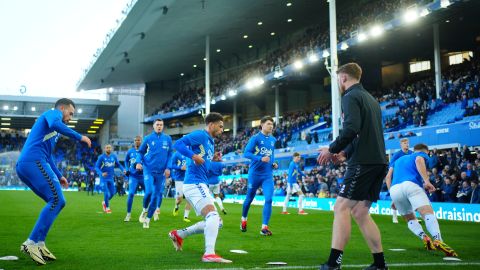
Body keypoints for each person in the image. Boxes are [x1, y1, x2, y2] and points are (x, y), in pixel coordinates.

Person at [317, 63, 388, 270]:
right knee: (360, 212)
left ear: (344, 78)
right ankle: (380, 264)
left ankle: (333, 263)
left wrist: (332, 149)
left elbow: (351, 128)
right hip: (378, 161)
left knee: (341, 207)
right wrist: (345, 152)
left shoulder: (349, 97)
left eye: (338, 79)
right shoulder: (371, 100)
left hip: (364, 162)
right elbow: (363, 133)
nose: (338, 82)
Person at [16, 98, 91, 265]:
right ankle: (31, 242)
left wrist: (59, 175)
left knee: (56, 202)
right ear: (62, 108)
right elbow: (57, 126)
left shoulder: (52, 131)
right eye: (70, 113)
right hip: (33, 161)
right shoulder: (53, 114)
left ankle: (40, 243)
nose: (71, 117)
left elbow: (48, 155)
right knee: (57, 200)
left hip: (28, 164)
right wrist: (79, 137)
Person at [168, 112, 232, 263]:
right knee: (213, 216)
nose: (223, 129)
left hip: (200, 183)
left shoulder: (210, 142)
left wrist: (213, 162)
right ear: (211, 124)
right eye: (220, 126)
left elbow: (205, 165)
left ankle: (179, 234)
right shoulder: (201, 135)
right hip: (194, 182)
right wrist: (193, 156)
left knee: (217, 222)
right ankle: (209, 254)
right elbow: (177, 144)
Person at [388, 143, 457, 257]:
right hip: (411, 185)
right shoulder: (421, 154)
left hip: (395, 189)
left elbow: (388, 177)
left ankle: (424, 237)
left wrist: (393, 197)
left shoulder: (399, 160)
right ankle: (438, 239)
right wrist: (427, 181)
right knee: (427, 213)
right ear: (427, 152)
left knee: (409, 218)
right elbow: (419, 160)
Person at [241, 116, 278, 236]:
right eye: (268, 124)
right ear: (262, 125)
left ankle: (264, 228)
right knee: (249, 199)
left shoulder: (273, 139)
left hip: (267, 175)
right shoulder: (255, 138)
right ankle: (244, 219)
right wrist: (260, 158)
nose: (271, 126)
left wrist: (273, 163)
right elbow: (246, 153)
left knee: (269, 199)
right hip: (255, 174)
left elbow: (271, 154)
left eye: (272, 124)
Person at [135, 119, 172, 228]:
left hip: (160, 172)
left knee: (156, 196)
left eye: (161, 124)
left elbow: (170, 154)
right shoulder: (148, 138)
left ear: (163, 126)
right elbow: (140, 152)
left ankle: (148, 219)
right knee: (149, 191)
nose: (159, 126)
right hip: (148, 169)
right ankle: (144, 210)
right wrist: (138, 162)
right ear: (153, 126)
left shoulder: (168, 138)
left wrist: (168, 167)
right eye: (157, 125)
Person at [385, 138, 413, 223]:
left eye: (407, 143)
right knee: (396, 198)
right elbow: (391, 166)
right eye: (404, 143)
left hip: (408, 177)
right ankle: (394, 216)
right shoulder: (397, 154)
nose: (406, 144)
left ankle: (411, 217)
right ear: (401, 145)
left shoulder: (411, 153)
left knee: (409, 197)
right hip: (397, 177)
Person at [95, 144, 126, 213]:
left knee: (113, 193)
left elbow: (118, 164)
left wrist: (123, 169)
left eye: (109, 148)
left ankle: (104, 202)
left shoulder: (114, 157)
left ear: (111, 149)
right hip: (103, 178)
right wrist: (101, 173)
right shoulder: (101, 157)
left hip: (111, 178)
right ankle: (107, 208)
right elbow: (96, 167)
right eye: (107, 148)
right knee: (106, 193)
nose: (108, 149)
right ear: (105, 149)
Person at [124, 136, 146, 222]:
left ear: (141, 141)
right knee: (131, 194)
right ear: (134, 142)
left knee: (148, 194)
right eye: (136, 140)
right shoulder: (130, 151)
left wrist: (144, 167)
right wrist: (127, 169)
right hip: (133, 176)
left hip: (144, 176)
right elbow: (126, 161)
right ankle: (128, 214)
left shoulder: (145, 151)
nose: (137, 142)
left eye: (139, 140)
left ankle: (144, 212)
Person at [169, 150, 192, 222]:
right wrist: (180, 167)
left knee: (189, 198)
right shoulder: (176, 154)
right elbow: (172, 165)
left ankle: (185, 217)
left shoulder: (190, 153)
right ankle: (176, 207)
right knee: (180, 199)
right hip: (179, 179)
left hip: (189, 179)